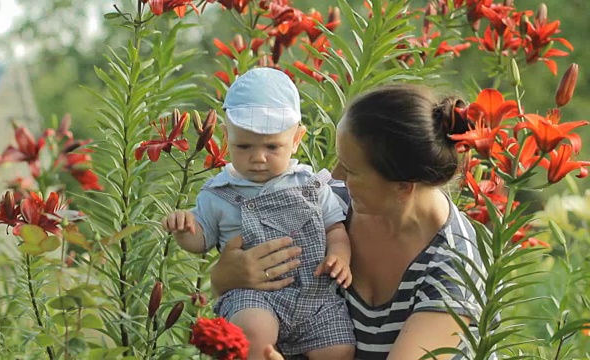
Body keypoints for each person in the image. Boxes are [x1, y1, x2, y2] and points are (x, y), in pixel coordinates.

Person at [210, 84, 487, 360]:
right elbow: (247, 279)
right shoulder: (331, 202)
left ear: (403, 187)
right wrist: (223, 278)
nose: (334, 175)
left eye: (350, 169)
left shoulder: (454, 264)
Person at [163, 67, 356, 360]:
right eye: (244, 146)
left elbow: (335, 229)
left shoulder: (311, 185)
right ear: (226, 137)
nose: (258, 157)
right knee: (253, 331)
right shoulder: (217, 193)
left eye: (272, 146)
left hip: (315, 299)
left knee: (339, 349)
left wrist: (341, 257)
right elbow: (200, 242)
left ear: (296, 139)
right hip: (253, 296)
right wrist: (184, 229)